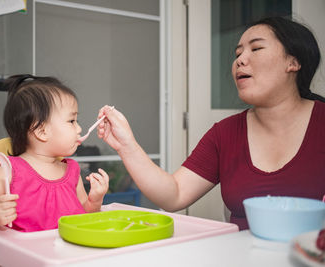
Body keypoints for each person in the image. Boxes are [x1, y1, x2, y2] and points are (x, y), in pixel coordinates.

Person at [96, 16, 325, 230]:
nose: (240, 60)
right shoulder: (225, 133)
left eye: (256, 48)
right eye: (238, 53)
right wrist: (126, 145)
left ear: (293, 62)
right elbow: (174, 195)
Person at [0, 74, 109, 232]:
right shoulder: (9, 172)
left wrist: (94, 202)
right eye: (72, 121)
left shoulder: (72, 171)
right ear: (41, 131)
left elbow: (84, 219)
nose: (79, 129)